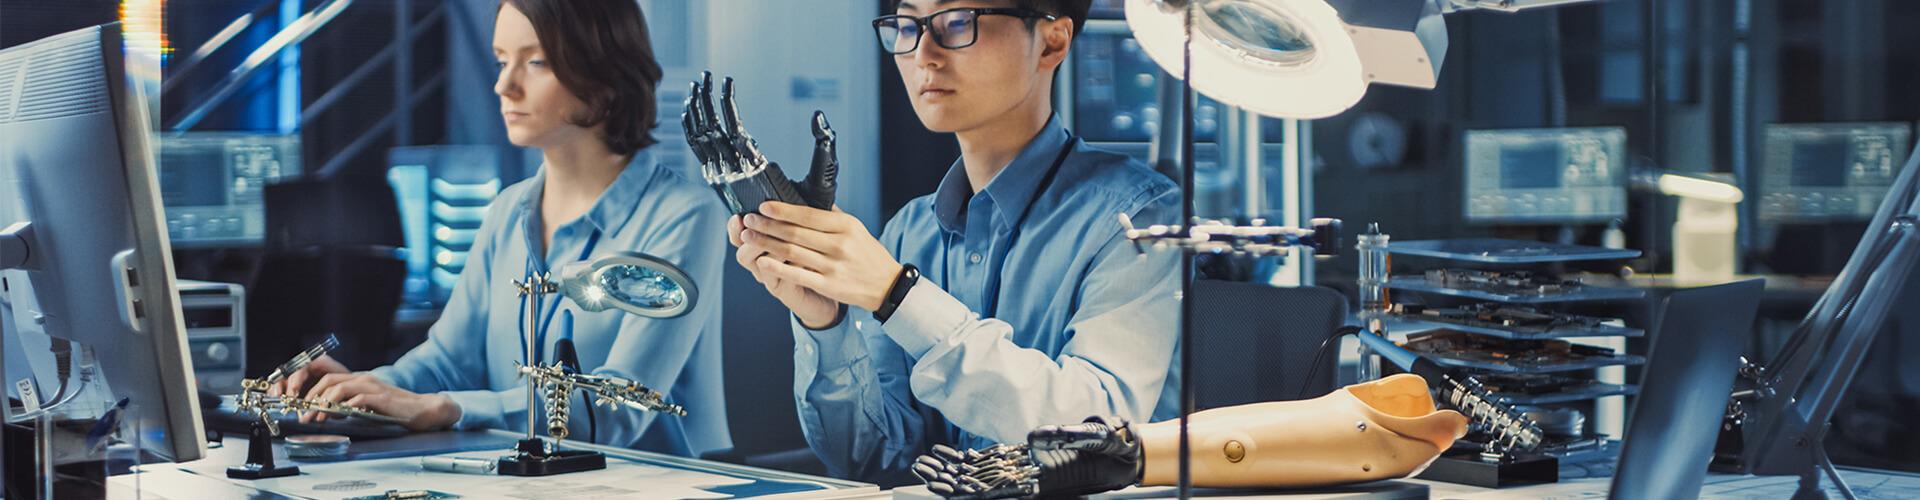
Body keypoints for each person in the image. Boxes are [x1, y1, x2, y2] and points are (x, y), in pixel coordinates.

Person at [729, 0, 1182, 483]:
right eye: (907, 26)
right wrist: (826, 321)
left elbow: (1096, 436)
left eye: (959, 22)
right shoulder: (909, 229)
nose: (924, 53)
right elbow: (873, 460)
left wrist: (898, 295)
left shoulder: (1137, 218)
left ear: (1052, 41)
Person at [270, 0, 730, 457]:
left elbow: (619, 406)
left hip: (657, 483)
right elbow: (447, 362)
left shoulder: (684, 215)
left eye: (535, 62)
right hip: (529, 479)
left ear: (605, 76)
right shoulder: (509, 210)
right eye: (501, 61)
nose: (504, 85)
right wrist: (361, 392)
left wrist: (444, 408)